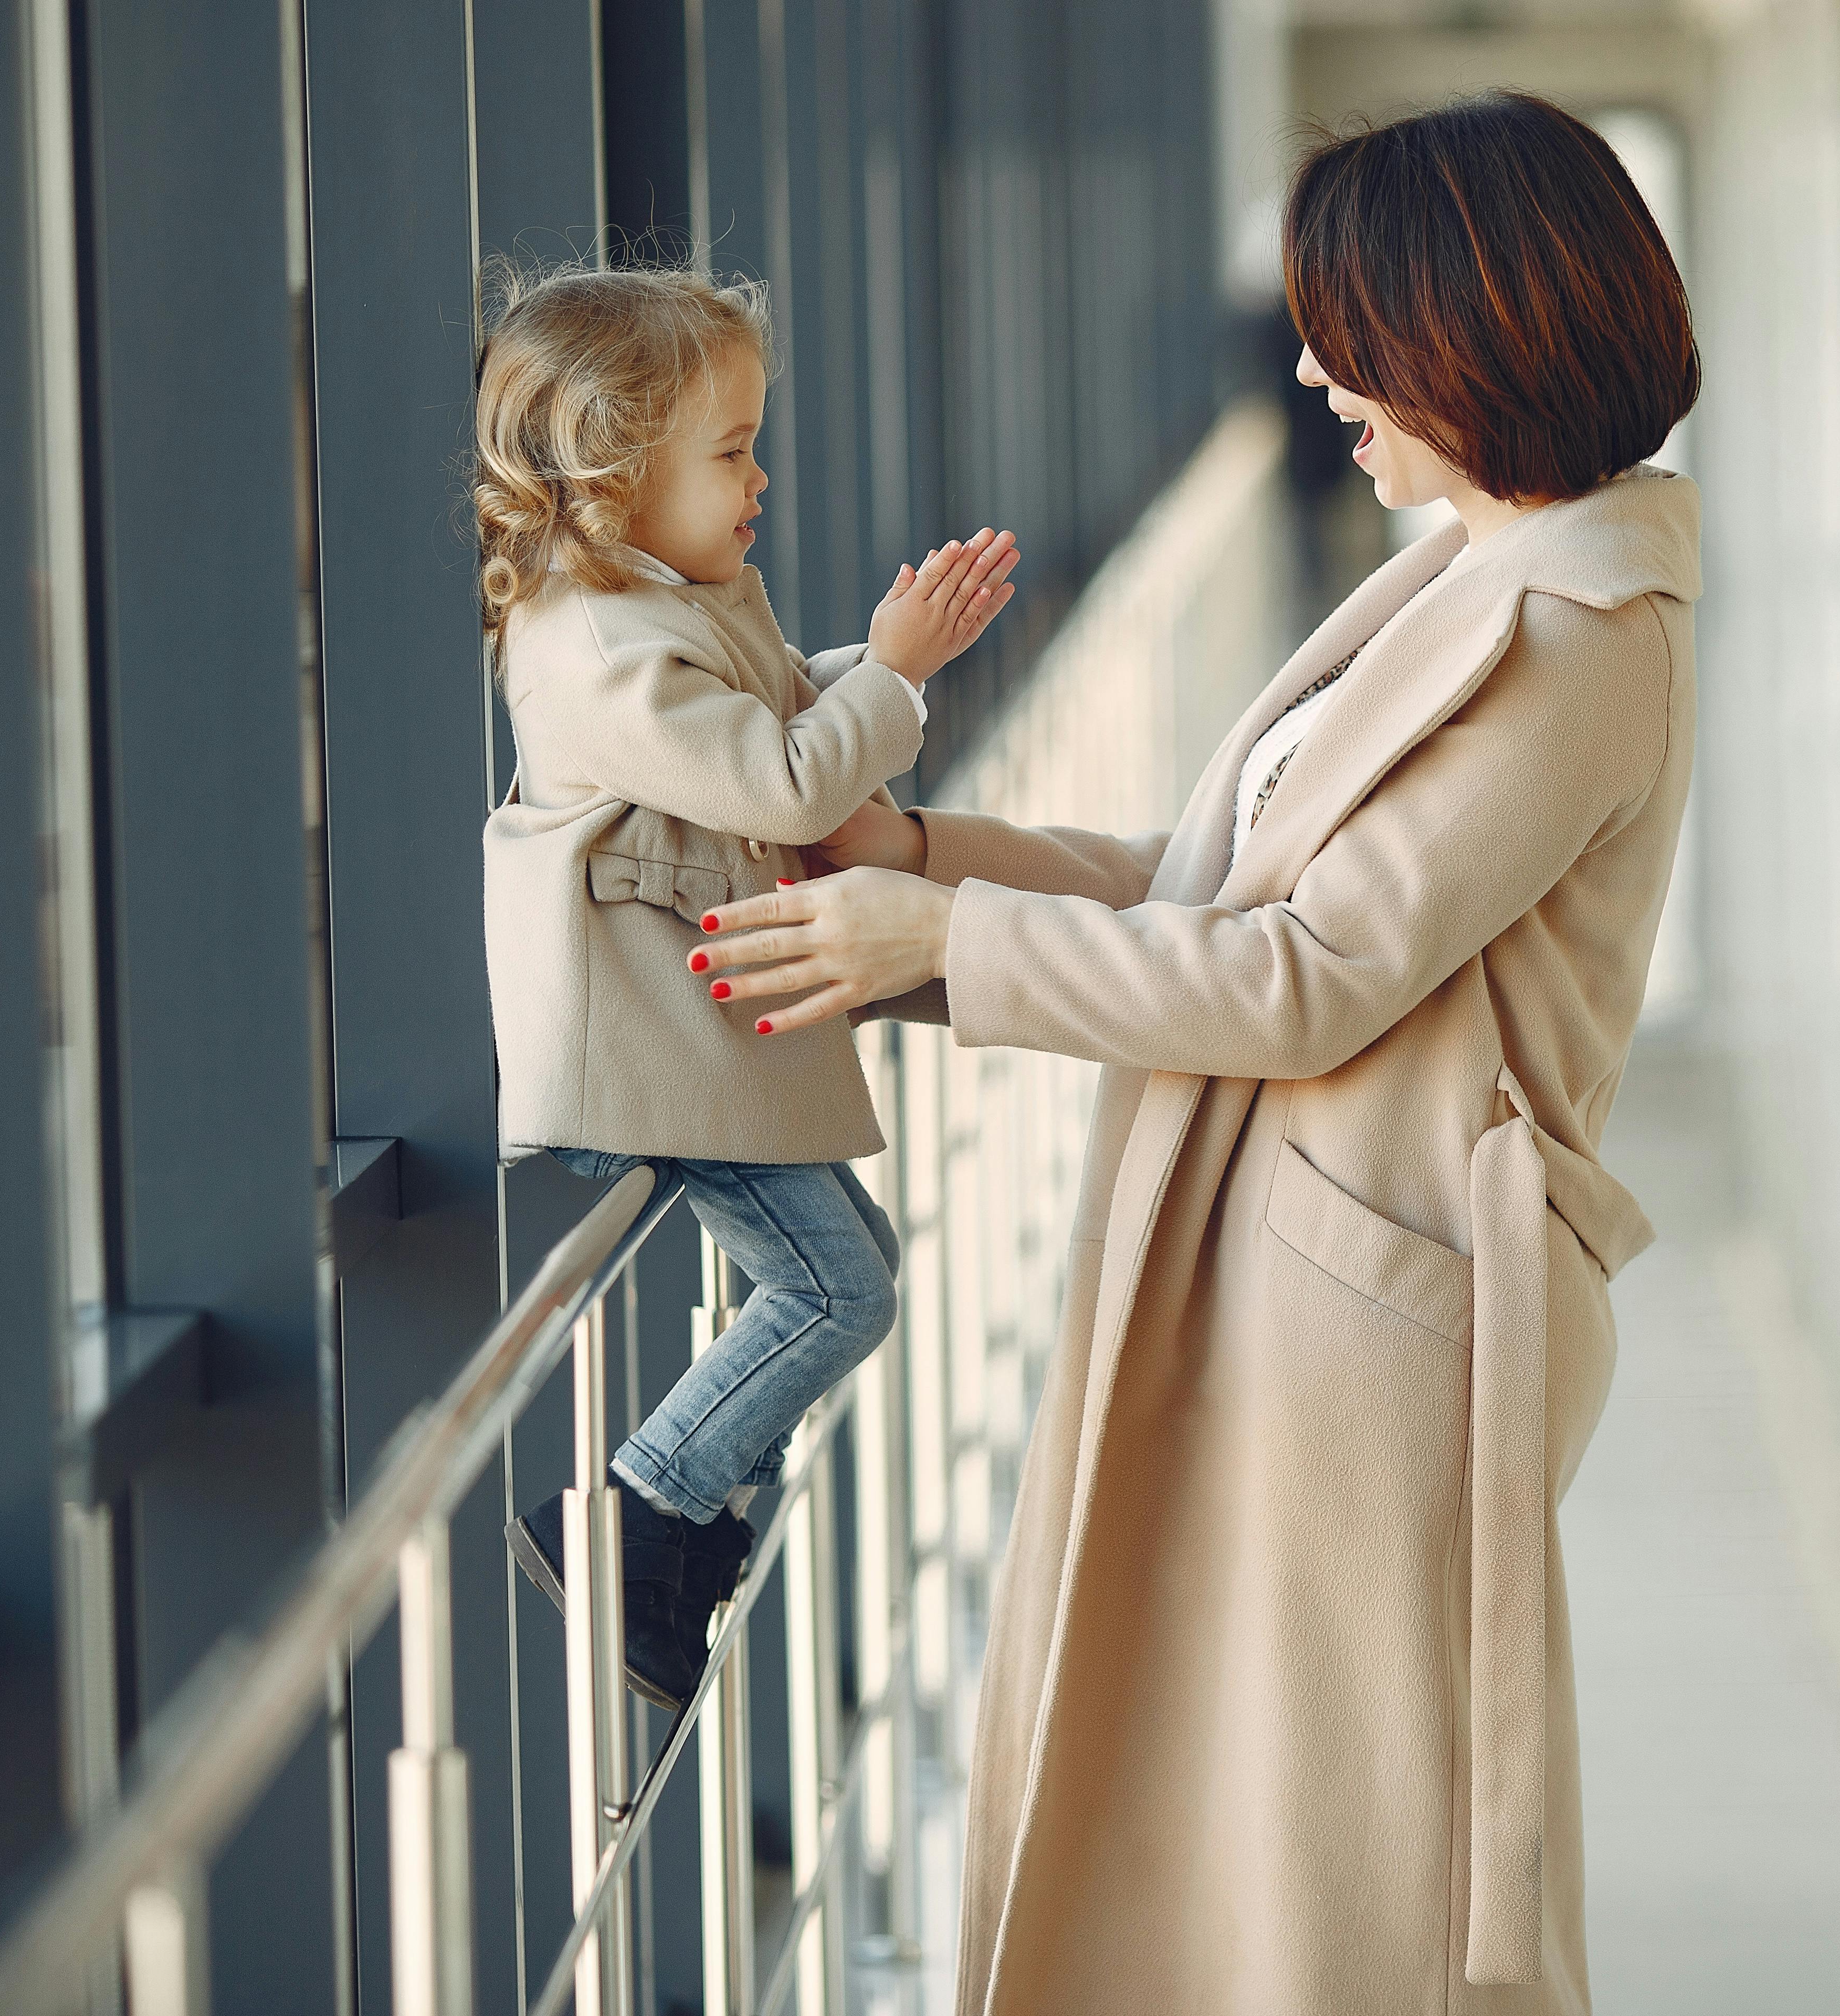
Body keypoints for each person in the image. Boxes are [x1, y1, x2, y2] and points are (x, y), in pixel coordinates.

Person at [698, 90, 1702, 2015]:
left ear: (1477, 327)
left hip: (1382, 1316)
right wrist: (918, 865)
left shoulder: (1580, 631)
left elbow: (1304, 974)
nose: (1318, 369)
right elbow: (1203, 883)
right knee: (1232, 1848)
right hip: (1299, 1274)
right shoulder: (1482, 564)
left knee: (1341, 1889)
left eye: (1356, 333)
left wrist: (950, 943)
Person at [470, 259, 1017, 1707]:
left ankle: (681, 1532)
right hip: (656, 1036)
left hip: (702, 1013)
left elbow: (768, 715)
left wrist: (890, 663)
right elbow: (779, 782)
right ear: (617, 470)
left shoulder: (661, 598)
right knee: (840, 1293)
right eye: (730, 451)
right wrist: (887, 679)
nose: (760, 476)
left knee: (854, 1274)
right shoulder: (589, 643)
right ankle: (642, 1517)